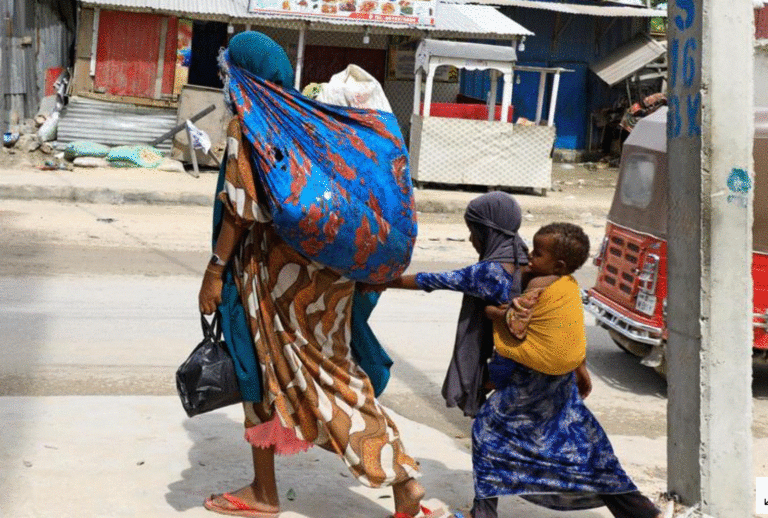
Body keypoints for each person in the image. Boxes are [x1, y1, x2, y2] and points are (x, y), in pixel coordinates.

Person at [198, 31, 427, 518]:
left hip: (274, 281)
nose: (224, 79)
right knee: (266, 373)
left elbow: (240, 210)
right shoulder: (309, 120)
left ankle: (404, 478)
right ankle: (264, 491)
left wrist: (215, 271)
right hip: (323, 279)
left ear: (241, 73)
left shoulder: (255, 122)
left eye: (227, 70)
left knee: (329, 382)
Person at [366, 195, 661, 518]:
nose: (470, 238)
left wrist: (378, 281)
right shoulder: (529, 257)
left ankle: (485, 512)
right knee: (585, 445)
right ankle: (642, 511)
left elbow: (431, 280)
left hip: (527, 383)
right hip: (557, 379)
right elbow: (562, 324)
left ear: (487, 230)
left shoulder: (493, 271)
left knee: (489, 433)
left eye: (473, 229)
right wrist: (579, 365)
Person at [483, 222, 592, 392]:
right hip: (571, 359)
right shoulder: (570, 284)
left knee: (506, 350)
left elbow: (517, 322)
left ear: (558, 266)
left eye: (537, 254)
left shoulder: (538, 283)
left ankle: (494, 381)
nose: (530, 256)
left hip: (547, 360)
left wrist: (493, 312)